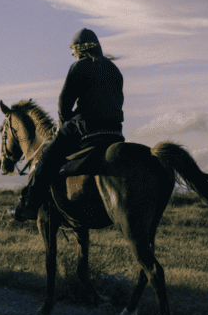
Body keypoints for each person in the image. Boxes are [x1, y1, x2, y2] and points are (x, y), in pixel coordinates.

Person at [8, 28, 124, 222]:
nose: (72, 54)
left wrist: (65, 123)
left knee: (46, 156)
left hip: (86, 127)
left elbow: (64, 102)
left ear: (81, 49)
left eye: (73, 50)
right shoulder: (114, 69)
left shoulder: (79, 67)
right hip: (114, 130)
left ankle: (30, 206)